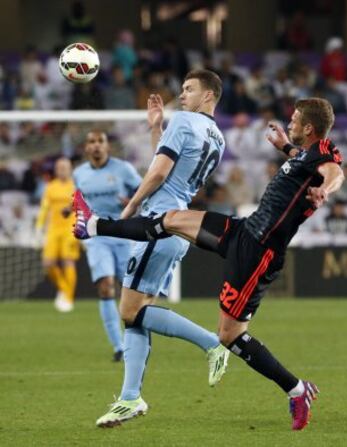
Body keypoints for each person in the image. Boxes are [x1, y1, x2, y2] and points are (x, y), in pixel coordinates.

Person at [74, 98, 345, 430]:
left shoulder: (325, 153)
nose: (289, 121)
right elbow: (305, 163)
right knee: (169, 219)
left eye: (295, 119)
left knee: (230, 334)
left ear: (309, 128)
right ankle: (93, 226)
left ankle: (296, 389)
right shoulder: (304, 154)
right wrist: (285, 146)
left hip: (258, 253)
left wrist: (326, 192)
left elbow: (333, 172)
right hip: (243, 229)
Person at [74, 69, 230, 427]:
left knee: (129, 311)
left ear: (209, 96)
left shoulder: (185, 120)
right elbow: (174, 167)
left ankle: (212, 343)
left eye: (189, 88)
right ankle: (130, 398)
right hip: (179, 226)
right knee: (137, 312)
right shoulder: (217, 137)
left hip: (159, 223)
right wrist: (156, 128)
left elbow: (158, 173)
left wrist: (129, 211)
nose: (183, 94)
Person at [73, 130, 142, 361]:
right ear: (86, 147)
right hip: (97, 237)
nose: (96, 146)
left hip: (123, 234)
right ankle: (118, 347)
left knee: (132, 291)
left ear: (107, 147)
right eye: (91, 141)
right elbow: (77, 200)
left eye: (100, 141)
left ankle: (137, 340)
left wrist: (133, 202)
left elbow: (145, 192)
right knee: (105, 287)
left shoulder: (123, 169)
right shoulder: (79, 174)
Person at [36, 157, 80, 312]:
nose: (62, 170)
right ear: (55, 170)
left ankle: (68, 298)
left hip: (70, 229)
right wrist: (39, 226)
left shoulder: (76, 186)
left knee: (68, 261)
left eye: (65, 167)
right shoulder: (50, 187)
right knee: (48, 263)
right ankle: (63, 288)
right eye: (59, 167)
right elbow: (44, 207)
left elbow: (82, 208)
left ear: (70, 169)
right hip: (53, 229)